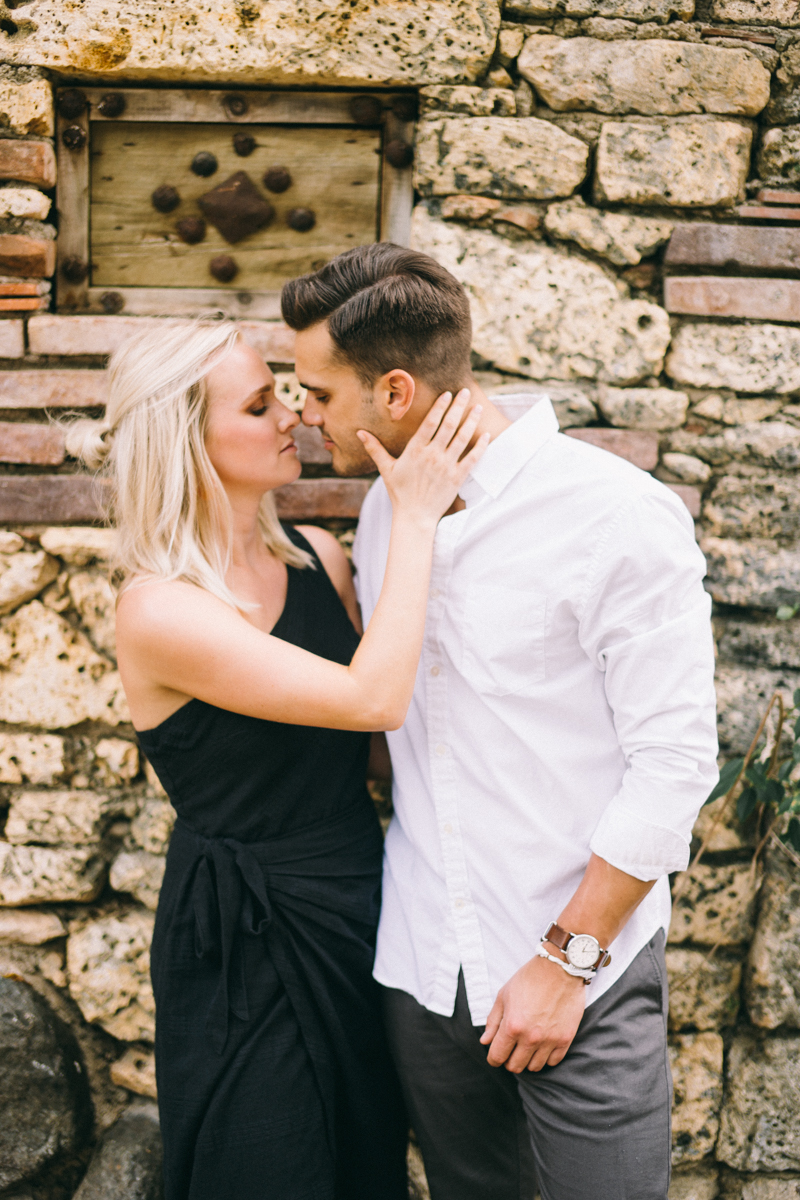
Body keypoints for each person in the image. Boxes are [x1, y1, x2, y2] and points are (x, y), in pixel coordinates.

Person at [281, 242, 720, 1200]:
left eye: (317, 392)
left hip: (577, 973)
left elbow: (676, 765)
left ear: (394, 391)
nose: (302, 414)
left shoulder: (617, 516)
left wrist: (566, 962)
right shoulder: (390, 511)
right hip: (424, 966)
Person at [63, 319, 488, 1200]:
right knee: (266, 1165)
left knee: (360, 1160)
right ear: (190, 440)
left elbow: (374, 753)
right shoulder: (161, 611)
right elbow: (373, 697)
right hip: (242, 939)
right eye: (261, 404)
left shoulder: (319, 560)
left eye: (286, 393)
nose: (293, 413)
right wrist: (414, 513)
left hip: (358, 908)